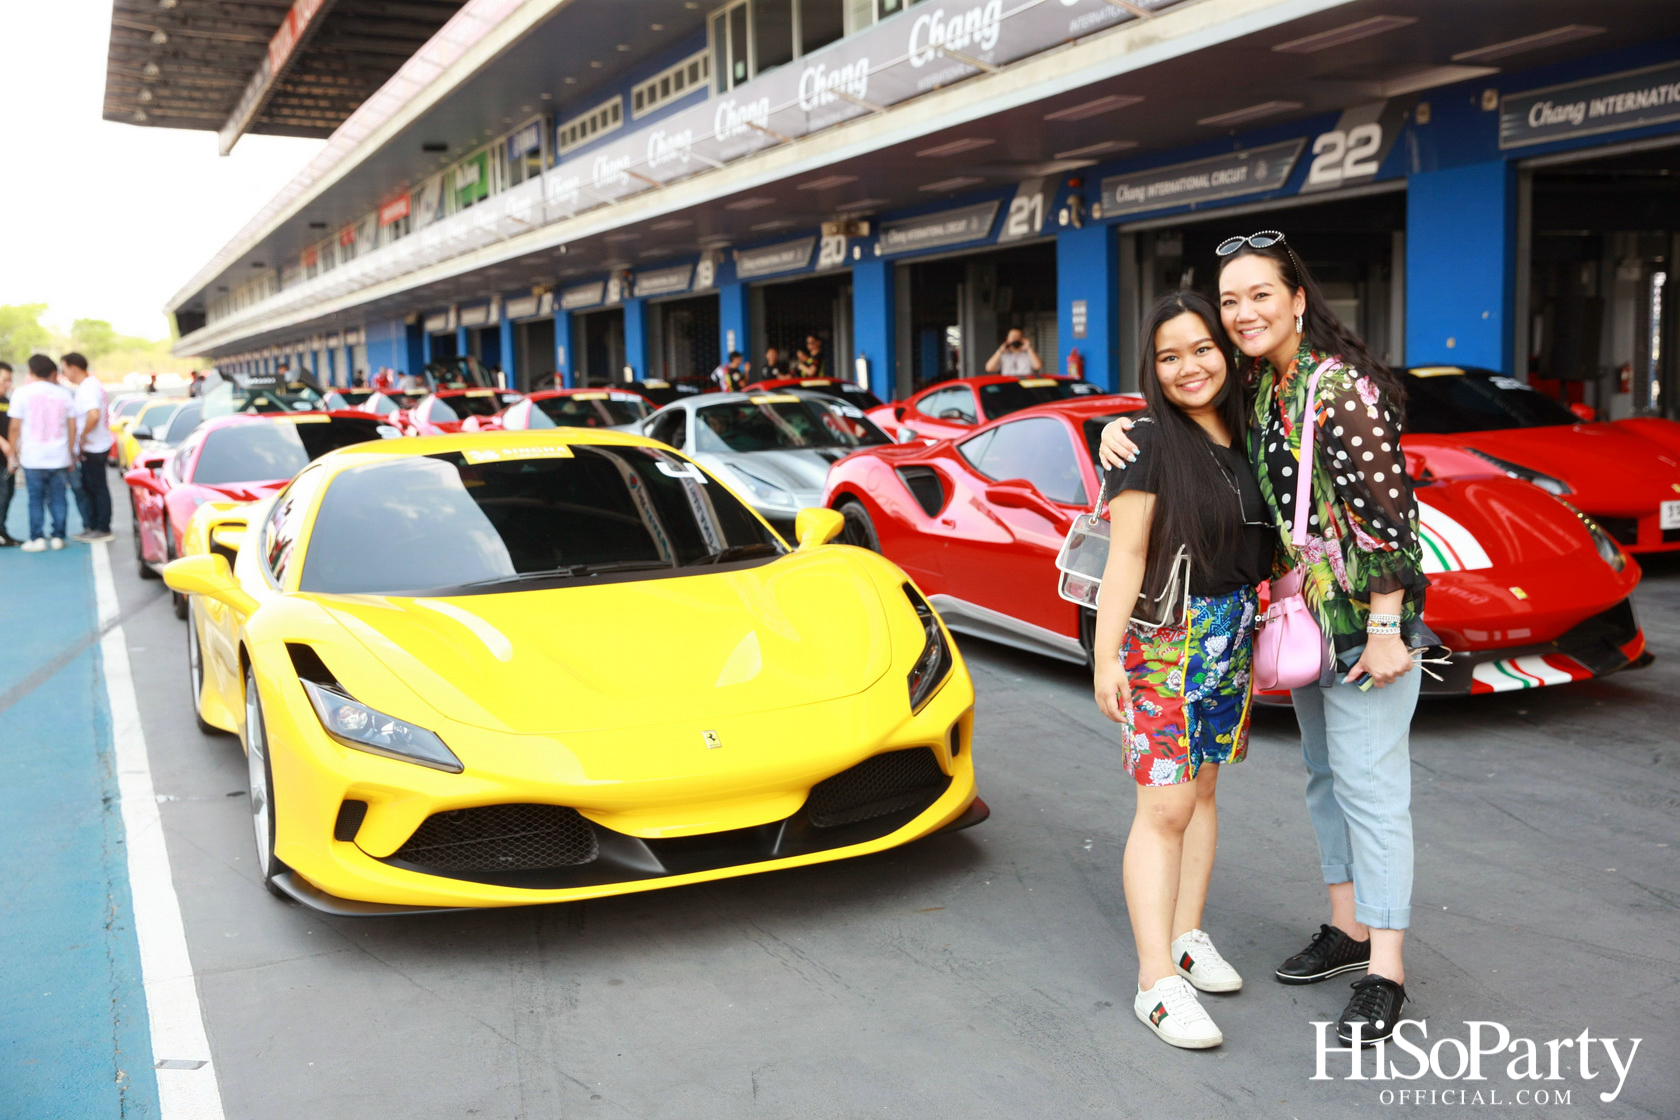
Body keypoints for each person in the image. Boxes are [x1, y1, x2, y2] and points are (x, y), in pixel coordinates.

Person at [1100, 231, 1431, 1046]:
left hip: (1360, 626)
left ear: (1297, 301)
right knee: (1324, 780)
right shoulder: (1259, 393)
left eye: (1260, 295)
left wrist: (1387, 628)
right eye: (1232, 300)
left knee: (1371, 792)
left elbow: (1392, 520)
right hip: (1288, 625)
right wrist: (1122, 425)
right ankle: (1345, 929)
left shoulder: (1338, 388)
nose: (1244, 312)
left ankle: (1384, 967)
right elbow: (1172, 416)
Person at [1091, 291, 1270, 1051]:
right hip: (1163, 638)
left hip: (1230, 633)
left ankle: (1189, 934)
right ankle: (1156, 979)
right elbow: (1126, 557)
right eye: (1169, 356)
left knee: (1202, 789)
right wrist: (1104, 657)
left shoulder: (1251, 434)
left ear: (1226, 352)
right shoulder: (1146, 443)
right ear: (1151, 369)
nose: (1188, 366)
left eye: (1202, 348)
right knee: (1162, 806)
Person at [7, 355, 77, 551]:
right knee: (59, 497)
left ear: (31, 371)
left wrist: (12, 454)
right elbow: (72, 427)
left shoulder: (21, 393)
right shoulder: (64, 394)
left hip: (33, 457)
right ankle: (58, 536)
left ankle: (36, 538)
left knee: (35, 498)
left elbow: (14, 427)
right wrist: (70, 452)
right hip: (59, 456)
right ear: (52, 372)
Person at [61, 353, 114, 543]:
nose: (64, 373)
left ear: (74, 368)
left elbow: (93, 415)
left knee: (97, 488)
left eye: (64, 369)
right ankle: (96, 526)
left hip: (94, 447)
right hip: (96, 445)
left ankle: (102, 527)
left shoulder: (88, 388)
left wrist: (81, 437)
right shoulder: (89, 385)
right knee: (93, 487)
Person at [0, 362, 17, 546]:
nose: (7, 384)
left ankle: (2, 531)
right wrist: (3, 443)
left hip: (6, 461)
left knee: (7, 494)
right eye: (4, 380)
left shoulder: (7, 401)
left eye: (9, 381)